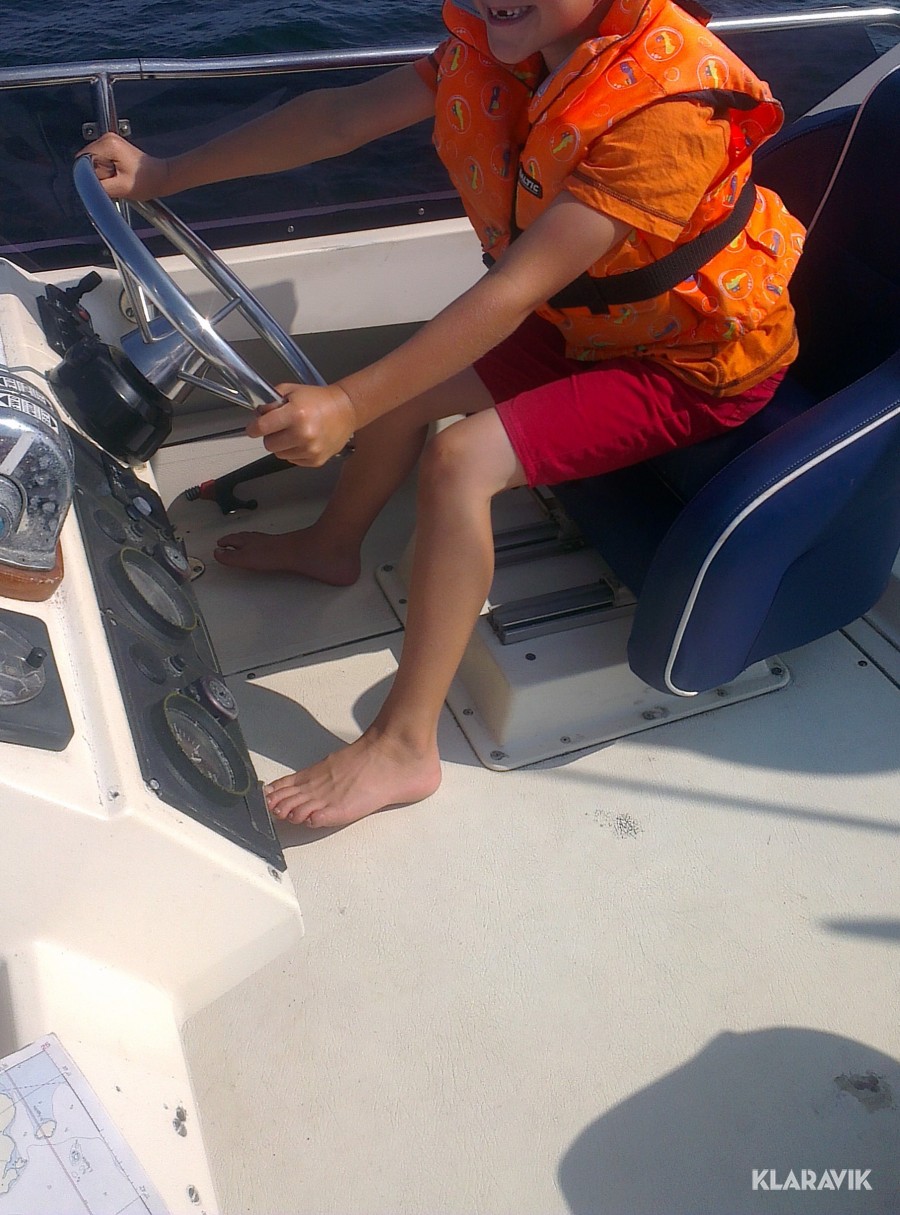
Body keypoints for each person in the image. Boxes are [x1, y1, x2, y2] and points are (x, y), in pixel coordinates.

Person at [85, 0, 805, 830]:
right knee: (400, 391)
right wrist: (162, 173)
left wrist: (347, 404)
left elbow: (516, 289)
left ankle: (405, 744)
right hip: (588, 322)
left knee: (461, 461)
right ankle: (332, 546)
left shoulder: (669, 112)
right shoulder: (505, 45)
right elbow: (337, 119)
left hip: (694, 359)